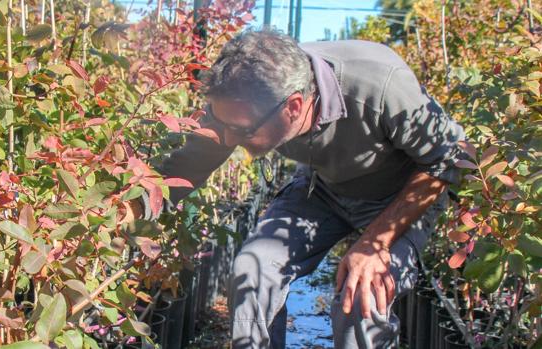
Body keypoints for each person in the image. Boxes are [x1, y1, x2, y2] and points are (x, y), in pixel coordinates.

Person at [148, 29, 465, 348]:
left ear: (294, 107)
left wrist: (376, 242)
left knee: (362, 296)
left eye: (241, 131)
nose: (229, 140)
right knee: (253, 268)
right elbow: (189, 164)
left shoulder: (379, 83)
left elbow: (449, 158)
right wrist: (122, 212)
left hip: (398, 198)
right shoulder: (242, 95)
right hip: (323, 190)